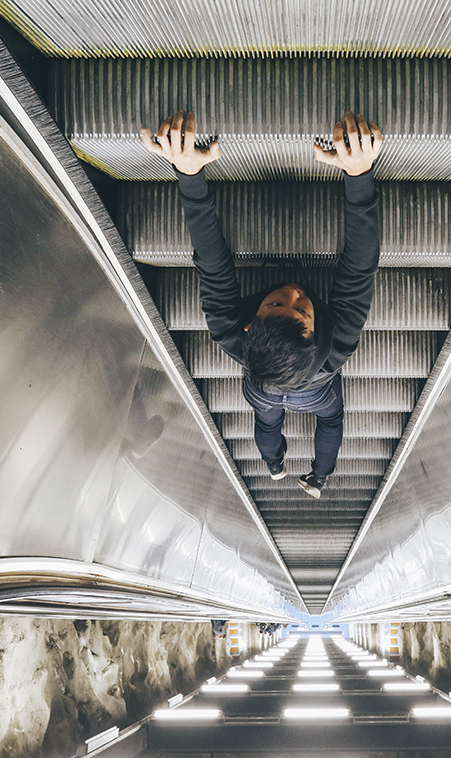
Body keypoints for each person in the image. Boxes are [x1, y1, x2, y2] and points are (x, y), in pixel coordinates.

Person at [142, 110, 383, 498]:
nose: (292, 291)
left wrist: (189, 175)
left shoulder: (228, 329)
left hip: (267, 394)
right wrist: (358, 175)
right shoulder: (338, 343)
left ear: (250, 325)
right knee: (329, 419)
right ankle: (316, 477)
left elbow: (213, 264)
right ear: (317, 334)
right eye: (301, 309)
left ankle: (275, 465)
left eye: (276, 304)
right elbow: (359, 267)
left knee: (271, 422)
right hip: (311, 392)